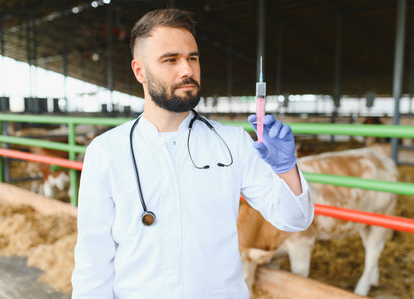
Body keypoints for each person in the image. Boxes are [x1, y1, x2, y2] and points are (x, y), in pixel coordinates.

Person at [71, 8, 313, 299]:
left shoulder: (232, 142)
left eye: (192, 58)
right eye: (170, 59)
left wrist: (286, 169)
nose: (187, 69)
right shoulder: (106, 151)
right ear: (139, 71)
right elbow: (93, 260)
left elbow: (295, 220)